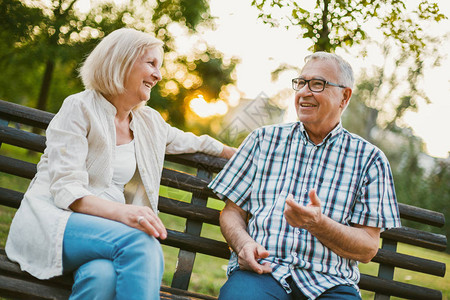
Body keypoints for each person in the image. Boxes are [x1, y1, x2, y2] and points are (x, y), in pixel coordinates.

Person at [6, 28, 235, 300]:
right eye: (151, 63)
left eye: (158, 67)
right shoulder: (79, 108)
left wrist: (236, 151)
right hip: (56, 221)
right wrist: (125, 213)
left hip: (104, 236)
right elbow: (67, 189)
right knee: (140, 242)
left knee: (101, 277)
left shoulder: (148, 122)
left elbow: (191, 141)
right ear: (121, 60)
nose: (158, 75)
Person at [208, 52, 401, 300]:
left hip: (331, 283)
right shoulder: (262, 140)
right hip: (264, 271)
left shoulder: (370, 160)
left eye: (317, 84)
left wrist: (318, 224)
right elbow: (232, 212)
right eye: (301, 82)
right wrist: (244, 244)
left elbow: (367, 247)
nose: (304, 92)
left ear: (345, 96)